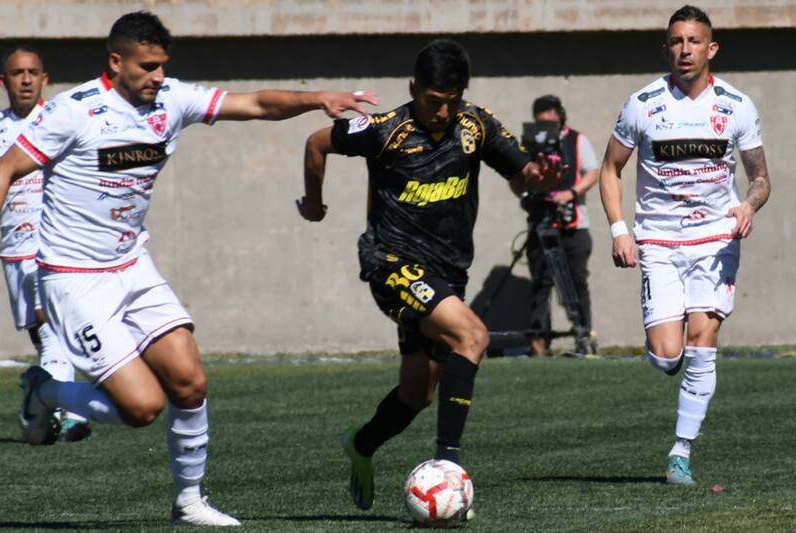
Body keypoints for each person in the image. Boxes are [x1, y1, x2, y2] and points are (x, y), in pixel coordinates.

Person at [0, 11, 377, 527]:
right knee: (141, 408)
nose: (158, 76)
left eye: (162, 65)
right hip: (74, 278)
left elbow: (256, 104)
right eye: (147, 66)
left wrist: (319, 99)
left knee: (190, 382)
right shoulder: (73, 111)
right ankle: (44, 390)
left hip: (133, 265)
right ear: (116, 61)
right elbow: (5, 169)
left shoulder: (171, 99)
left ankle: (189, 501)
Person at [298, 39, 562, 512]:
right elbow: (317, 142)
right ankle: (448, 468)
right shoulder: (384, 130)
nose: (442, 112)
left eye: (452, 101)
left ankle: (361, 444)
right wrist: (315, 204)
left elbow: (520, 172)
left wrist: (536, 180)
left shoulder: (476, 124)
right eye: (433, 100)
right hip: (391, 264)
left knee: (417, 393)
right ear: (413, 88)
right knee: (473, 337)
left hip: (447, 274)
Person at [599, 5, 770, 485]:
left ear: (711, 48)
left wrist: (748, 206)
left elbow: (760, 178)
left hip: (716, 238)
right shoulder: (643, 104)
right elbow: (609, 169)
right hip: (658, 240)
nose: (685, 50)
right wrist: (619, 230)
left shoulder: (736, 106)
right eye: (677, 41)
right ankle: (665, 348)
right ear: (666, 49)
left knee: (702, 341)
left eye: (694, 41)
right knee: (666, 354)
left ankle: (681, 453)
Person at [0, 45, 92, 442]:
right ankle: (44, 402)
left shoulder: (59, 120)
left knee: (53, 328)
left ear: (44, 79)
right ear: (3, 81)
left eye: (32, 72)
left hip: (57, 245)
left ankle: (68, 413)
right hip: (15, 250)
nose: (25, 80)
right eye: (17, 73)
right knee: (45, 335)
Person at [514, 95, 599, 356]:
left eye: (550, 121)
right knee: (541, 283)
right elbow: (514, 176)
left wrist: (571, 193)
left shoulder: (577, 140)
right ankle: (538, 341)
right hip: (540, 223)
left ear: (560, 117)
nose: (546, 127)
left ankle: (584, 336)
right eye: (541, 122)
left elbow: (593, 172)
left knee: (577, 281)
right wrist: (525, 196)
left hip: (573, 225)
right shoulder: (528, 144)